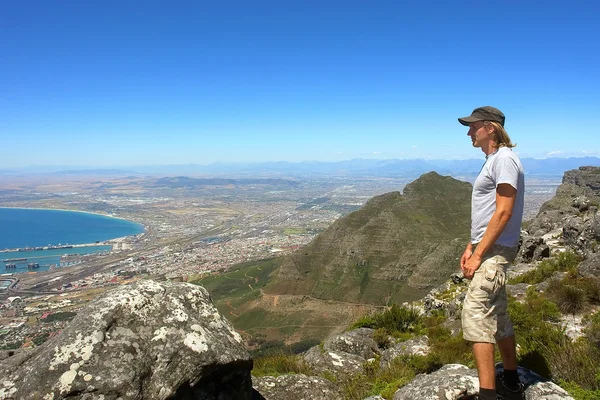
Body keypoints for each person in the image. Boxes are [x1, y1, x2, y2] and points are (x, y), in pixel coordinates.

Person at [458, 106, 525, 400]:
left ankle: (488, 394)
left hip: (495, 251)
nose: (469, 132)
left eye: (474, 127)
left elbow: (504, 211)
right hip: (488, 248)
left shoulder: (505, 159)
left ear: (491, 128)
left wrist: (479, 254)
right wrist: (471, 245)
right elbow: (487, 212)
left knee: (475, 313)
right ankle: (511, 381)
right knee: (498, 315)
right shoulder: (493, 160)